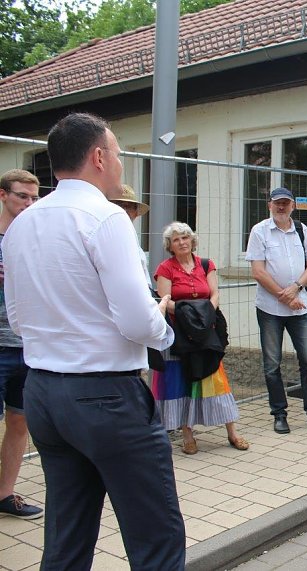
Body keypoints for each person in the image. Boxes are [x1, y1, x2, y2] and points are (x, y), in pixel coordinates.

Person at [2, 112, 185, 568]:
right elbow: (138, 321)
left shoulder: (21, 223)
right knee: (156, 536)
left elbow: (19, 319)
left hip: (43, 392)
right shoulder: (106, 217)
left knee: (67, 534)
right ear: (99, 157)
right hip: (107, 396)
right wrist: (163, 326)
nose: (121, 164)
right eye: (119, 154)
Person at [151, 221, 250, 454]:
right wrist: (189, 316)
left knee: (216, 379)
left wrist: (205, 316)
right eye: (176, 240)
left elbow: (214, 294)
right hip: (179, 334)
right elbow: (165, 300)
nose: (182, 242)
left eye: (185, 237)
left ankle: (232, 432)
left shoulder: (206, 264)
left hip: (205, 332)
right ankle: (187, 436)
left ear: (192, 240)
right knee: (180, 380)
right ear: (170, 246)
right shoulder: (165, 268)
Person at [246, 187, 307, 434]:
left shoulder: (302, 230)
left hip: (300, 307)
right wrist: (285, 298)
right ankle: (279, 414)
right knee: (272, 365)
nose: (281, 207)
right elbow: (258, 272)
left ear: (293, 206)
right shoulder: (259, 231)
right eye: (277, 203)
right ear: (269, 205)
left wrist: (296, 288)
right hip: (270, 309)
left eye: (286, 203)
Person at [0, 169, 42, 520]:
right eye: (22, 196)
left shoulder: (36, 240)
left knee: (19, 421)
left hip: (28, 347)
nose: (29, 203)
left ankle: (5, 494)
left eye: (34, 197)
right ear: (3, 195)